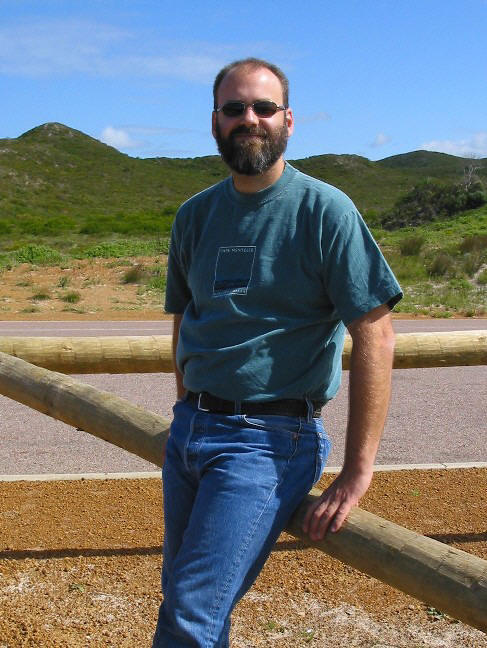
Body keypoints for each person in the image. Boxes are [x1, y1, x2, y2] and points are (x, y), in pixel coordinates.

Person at [152, 57, 402, 647]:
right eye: (234, 109)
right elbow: (187, 316)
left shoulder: (325, 212)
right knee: (193, 602)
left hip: (268, 440)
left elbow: (376, 332)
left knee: (191, 613)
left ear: (289, 121)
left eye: (264, 108)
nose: (250, 119)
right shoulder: (195, 215)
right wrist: (186, 406)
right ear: (214, 123)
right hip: (192, 430)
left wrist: (359, 471)